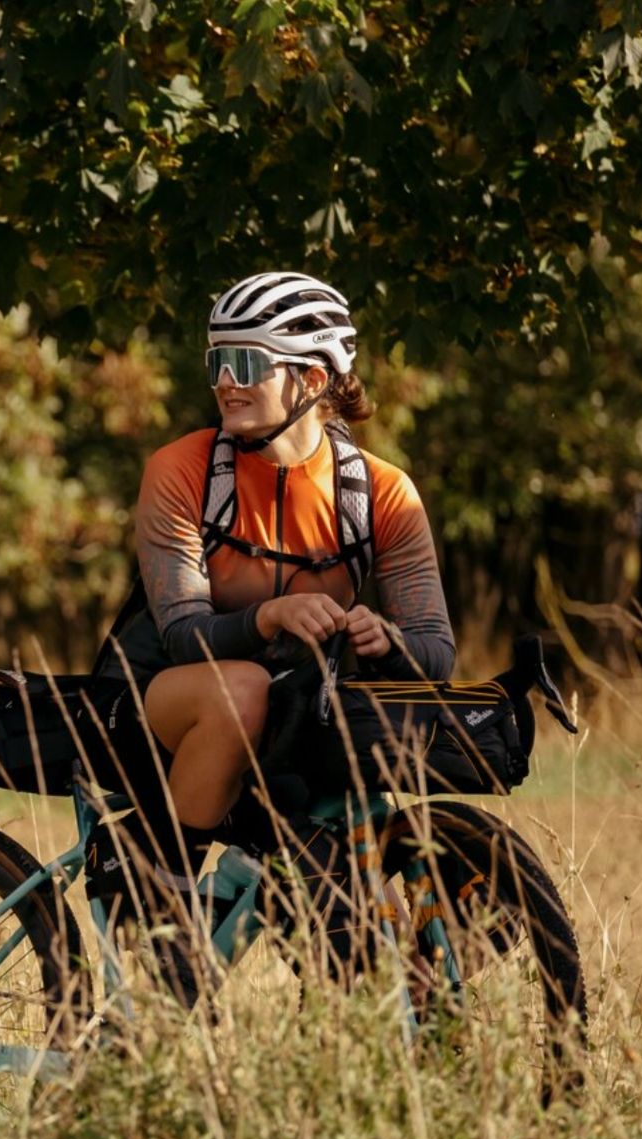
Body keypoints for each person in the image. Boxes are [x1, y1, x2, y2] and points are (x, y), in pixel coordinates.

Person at [98, 271, 455, 994]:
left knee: (372, 932)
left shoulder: (383, 493)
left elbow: (436, 652)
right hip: (157, 700)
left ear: (314, 378)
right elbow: (181, 636)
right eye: (217, 362)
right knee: (242, 686)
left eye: (249, 363)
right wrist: (268, 616)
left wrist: (382, 637)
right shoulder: (182, 470)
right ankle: (162, 903)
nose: (226, 382)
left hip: (293, 717)